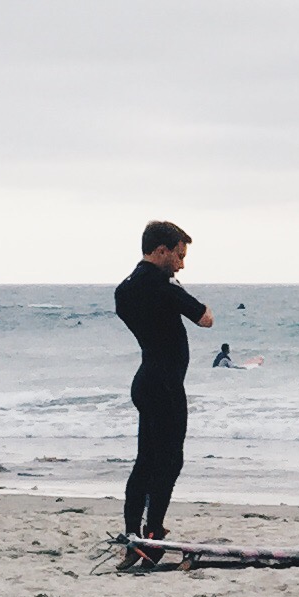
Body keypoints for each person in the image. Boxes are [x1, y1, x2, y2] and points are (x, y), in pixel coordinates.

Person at [113, 220, 212, 567]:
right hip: (166, 384)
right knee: (170, 461)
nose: (182, 264)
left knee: (145, 461)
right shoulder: (163, 285)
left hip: (145, 380)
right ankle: (153, 534)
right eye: (179, 256)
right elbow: (205, 318)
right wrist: (175, 287)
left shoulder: (124, 290)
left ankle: (133, 535)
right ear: (161, 251)